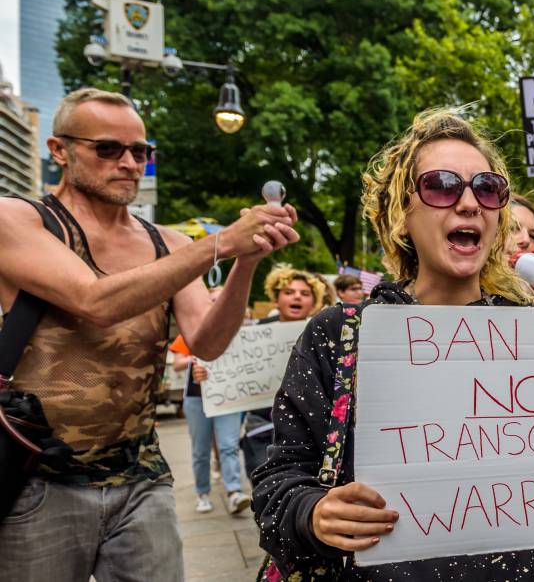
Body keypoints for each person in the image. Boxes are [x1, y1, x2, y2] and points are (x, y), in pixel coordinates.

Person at [252, 109, 534, 579]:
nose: (470, 203)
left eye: (488, 188)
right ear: (400, 216)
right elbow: (278, 485)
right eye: (441, 185)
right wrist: (313, 514)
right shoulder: (340, 334)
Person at [0, 87, 298, 580]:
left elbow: (207, 341)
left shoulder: (169, 244)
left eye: (141, 151)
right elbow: (94, 301)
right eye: (108, 148)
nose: (129, 162)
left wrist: (245, 261)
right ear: (59, 151)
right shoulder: (21, 220)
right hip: (39, 479)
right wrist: (219, 243)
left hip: (141, 474)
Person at [170, 287, 252, 516]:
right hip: (197, 399)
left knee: (228, 446)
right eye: (214, 301)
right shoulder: (192, 331)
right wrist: (197, 359)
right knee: (200, 450)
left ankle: (234, 492)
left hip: (229, 397)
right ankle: (202, 493)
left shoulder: (241, 333)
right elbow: (177, 363)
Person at [241, 265, 328, 479]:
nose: (296, 297)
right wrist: (206, 375)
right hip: (261, 424)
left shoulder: (324, 334)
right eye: (289, 292)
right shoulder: (255, 332)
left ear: (314, 301)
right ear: (276, 299)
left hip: (308, 427)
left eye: (305, 293)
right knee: (264, 488)